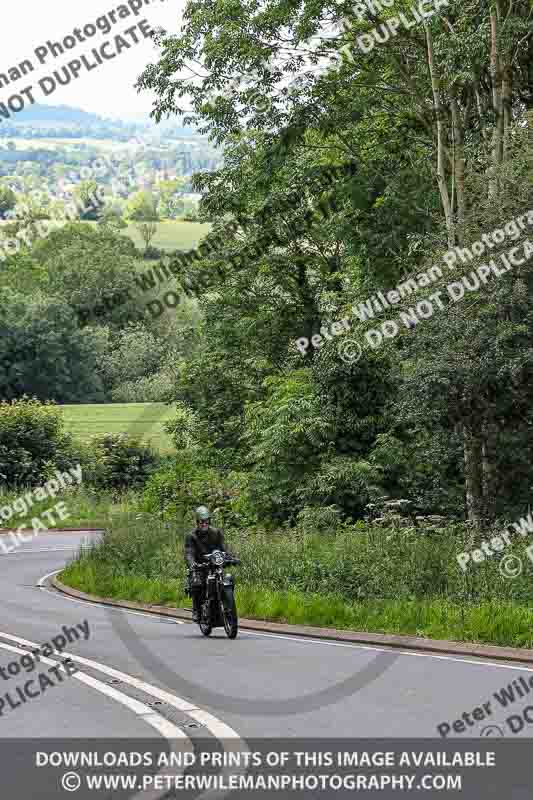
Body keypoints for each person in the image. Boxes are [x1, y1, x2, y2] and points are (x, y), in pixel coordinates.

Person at [185, 506, 226, 622]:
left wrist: (230, 557)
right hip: (200, 566)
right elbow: (189, 552)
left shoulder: (216, 533)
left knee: (228, 580)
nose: (204, 524)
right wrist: (192, 563)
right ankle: (197, 610)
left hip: (215, 564)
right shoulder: (191, 536)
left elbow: (223, 548)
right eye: (201, 522)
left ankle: (226, 603)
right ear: (197, 522)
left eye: (206, 521)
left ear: (209, 521)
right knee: (197, 582)